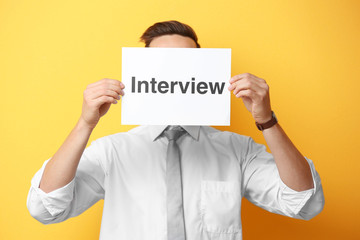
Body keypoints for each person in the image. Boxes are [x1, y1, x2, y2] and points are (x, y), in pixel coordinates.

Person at [27, 20, 324, 240]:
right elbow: (45, 207)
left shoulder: (236, 150)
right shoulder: (113, 151)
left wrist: (266, 120)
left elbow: (304, 202)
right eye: (162, 63)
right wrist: (85, 124)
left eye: (186, 62)